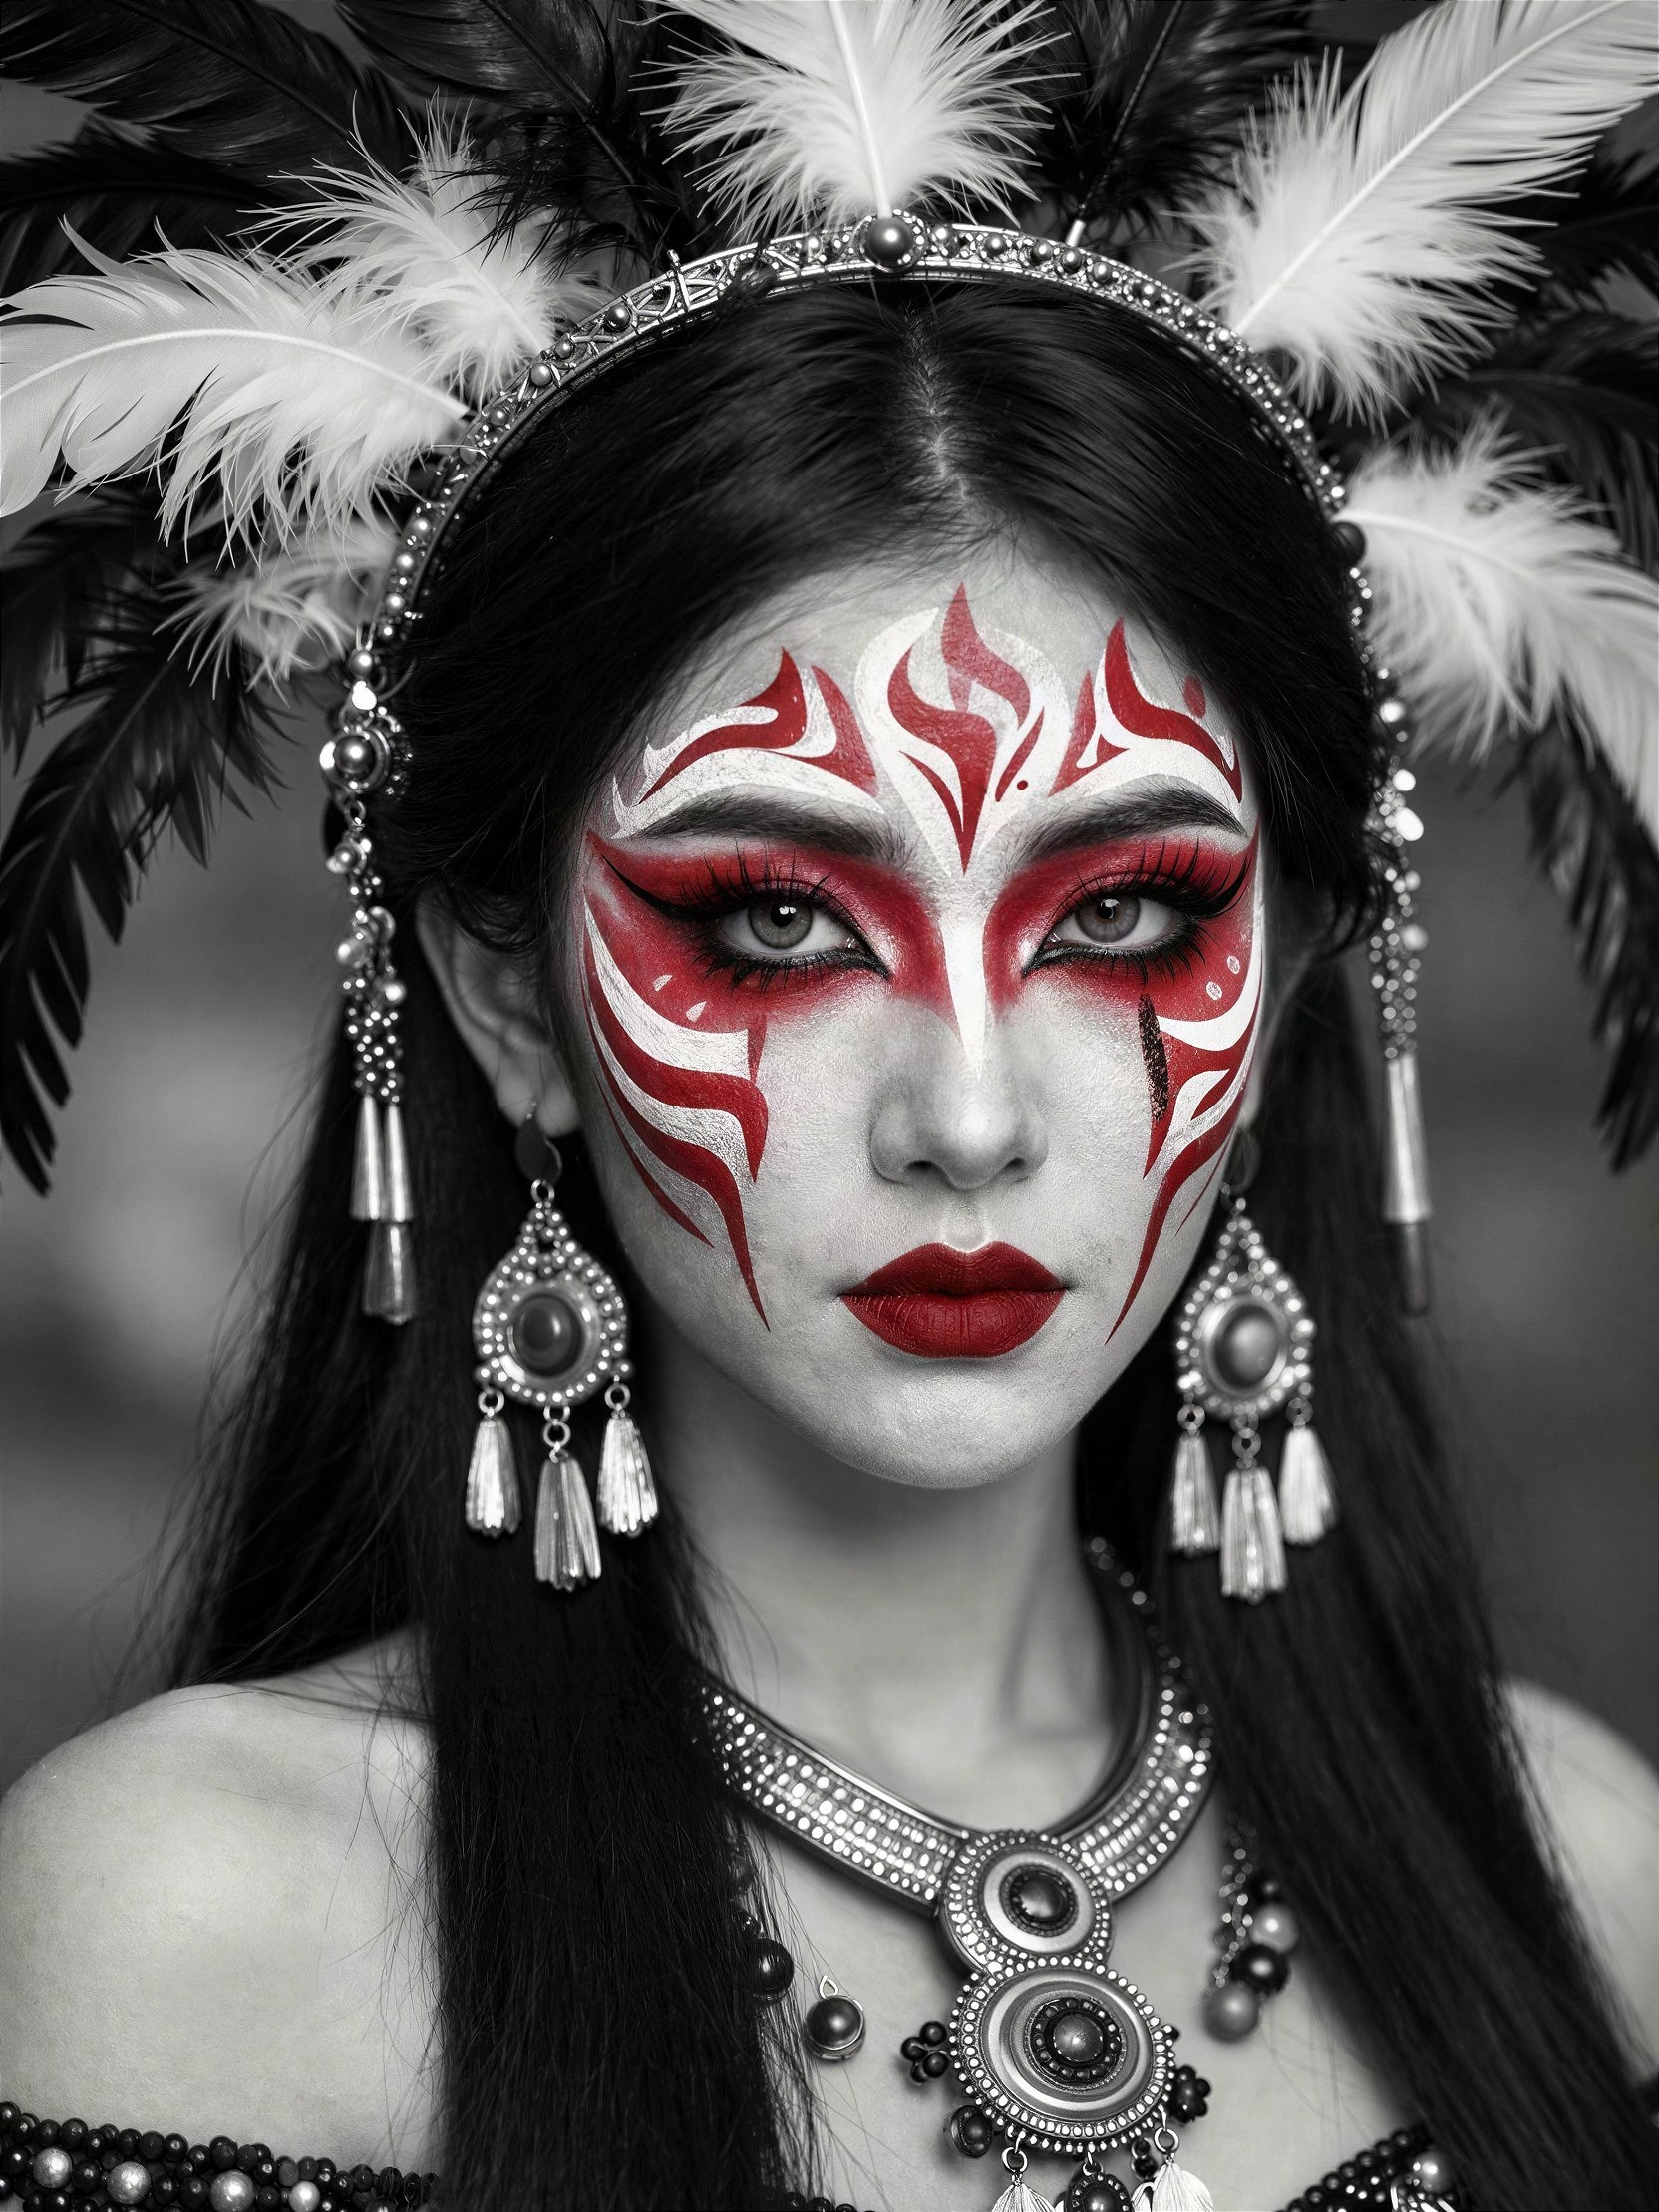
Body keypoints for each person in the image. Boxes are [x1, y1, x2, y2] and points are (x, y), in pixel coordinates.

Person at [1, 6, 1655, 2210]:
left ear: (1292, 976)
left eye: (1128, 917)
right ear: (505, 992)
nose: (965, 1113)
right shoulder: (200, 1909)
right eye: (773, 924)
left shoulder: (1584, 1870)